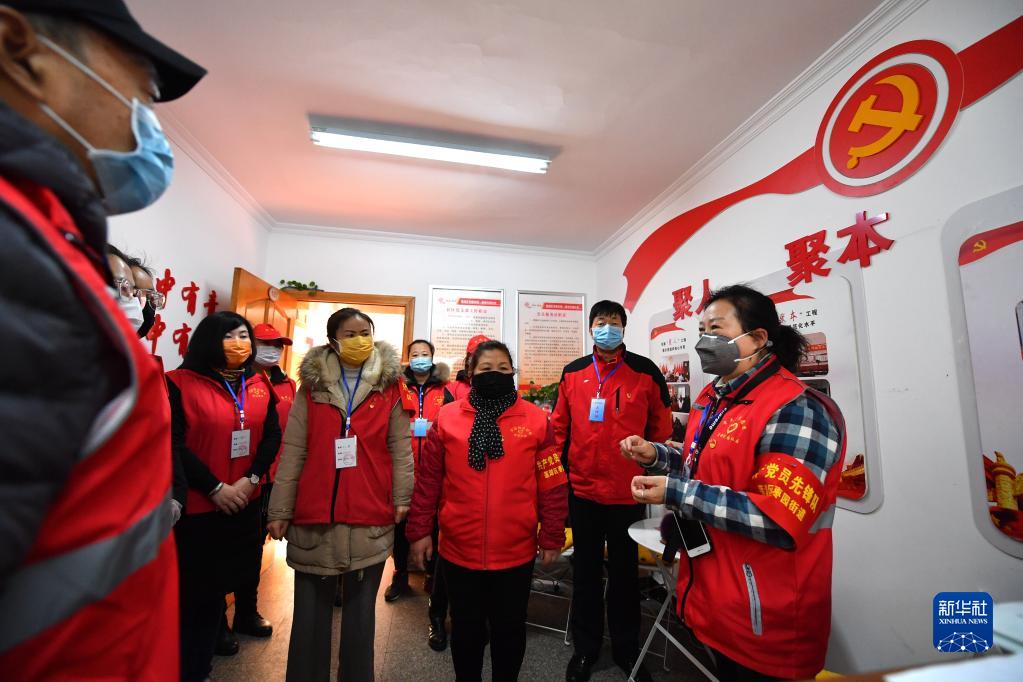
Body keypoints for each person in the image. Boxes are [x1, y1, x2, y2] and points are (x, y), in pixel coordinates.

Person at [0, 2, 204, 678]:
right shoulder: (16, 250)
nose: (147, 126)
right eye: (140, 93)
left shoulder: (44, 235)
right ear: (18, 47)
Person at [624, 284, 846, 682]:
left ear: (758, 338)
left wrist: (676, 492)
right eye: (702, 330)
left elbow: (777, 518)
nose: (704, 341)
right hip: (718, 597)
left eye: (717, 329)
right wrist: (656, 455)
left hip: (768, 616)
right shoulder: (714, 397)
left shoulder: (796, 408)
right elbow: (706, 463)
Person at [407, 340, 569, 682]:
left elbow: (552, 483)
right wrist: (420, 531)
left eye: (503, 368)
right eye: (486, 368)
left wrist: (553, 533)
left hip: (515, 551)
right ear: (471, 372)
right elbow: (428, 481)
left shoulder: (536, 420)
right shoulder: (448, 417)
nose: (495, 374)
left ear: (513, 373)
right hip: (458, 549)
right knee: (466, 630)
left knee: (509, 631)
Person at [267, 308, 413, 682]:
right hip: (314, 513)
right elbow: (294, 448)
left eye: (366, 332)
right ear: (333, 341)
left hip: (369, 510)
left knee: (361, 619)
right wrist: (279, 509)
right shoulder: (311, 387)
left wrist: (402, 498)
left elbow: (400, 448)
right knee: (309, 619)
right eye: (350, 334)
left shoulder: (391, 387)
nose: (360, 340)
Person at [551, 300, 671, 682]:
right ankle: (585, 650)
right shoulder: (573, 372)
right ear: (591, 329)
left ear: (623, 327)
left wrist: (647, 466)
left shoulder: (645, 372)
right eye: (601, 322)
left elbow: (662, 431)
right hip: (583, 492)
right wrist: (558, 477)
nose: (608, 328)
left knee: (624, 576)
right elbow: (558, 429)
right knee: (585, 574)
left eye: (614, 322)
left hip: (628, 493)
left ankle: (627, 650)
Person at [166, 312, 282, 682]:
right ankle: (194, 666)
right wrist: (215, 488)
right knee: (198, 595)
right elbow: (174, 444)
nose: (239, 343)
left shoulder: (259, 383)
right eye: (230, 336)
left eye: (244, 336)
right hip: (200, 508)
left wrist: (251, 479)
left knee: (238, 576)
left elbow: (272, 436)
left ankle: (227, 628)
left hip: (245, 501)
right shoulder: (177, 383)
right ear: (208, 339)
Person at [216, 322, 296, 648]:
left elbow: (284, 433)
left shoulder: (287, 384)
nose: (272, 350)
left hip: (268, 477)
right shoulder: (231, 378)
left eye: (278, 345)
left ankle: (247, 612)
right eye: (265, 343)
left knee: (254, 547)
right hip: (228, 479)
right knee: (222, 549)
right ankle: (217, 620)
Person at [393, 339, 455, 649]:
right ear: (408, 359)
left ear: (433, 358)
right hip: (403, 467)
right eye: (415, 354)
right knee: (401, 524)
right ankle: (400, 574)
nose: (420, 358)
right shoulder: (397, 387)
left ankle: (432, 575)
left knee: (432, 525)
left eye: (425, 354)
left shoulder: (445, 390)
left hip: (434, 468)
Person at [448, 334, 490, 401]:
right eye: (477, 355)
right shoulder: (453, 389)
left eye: (488, 355)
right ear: (468, 360)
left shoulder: (502, 386)